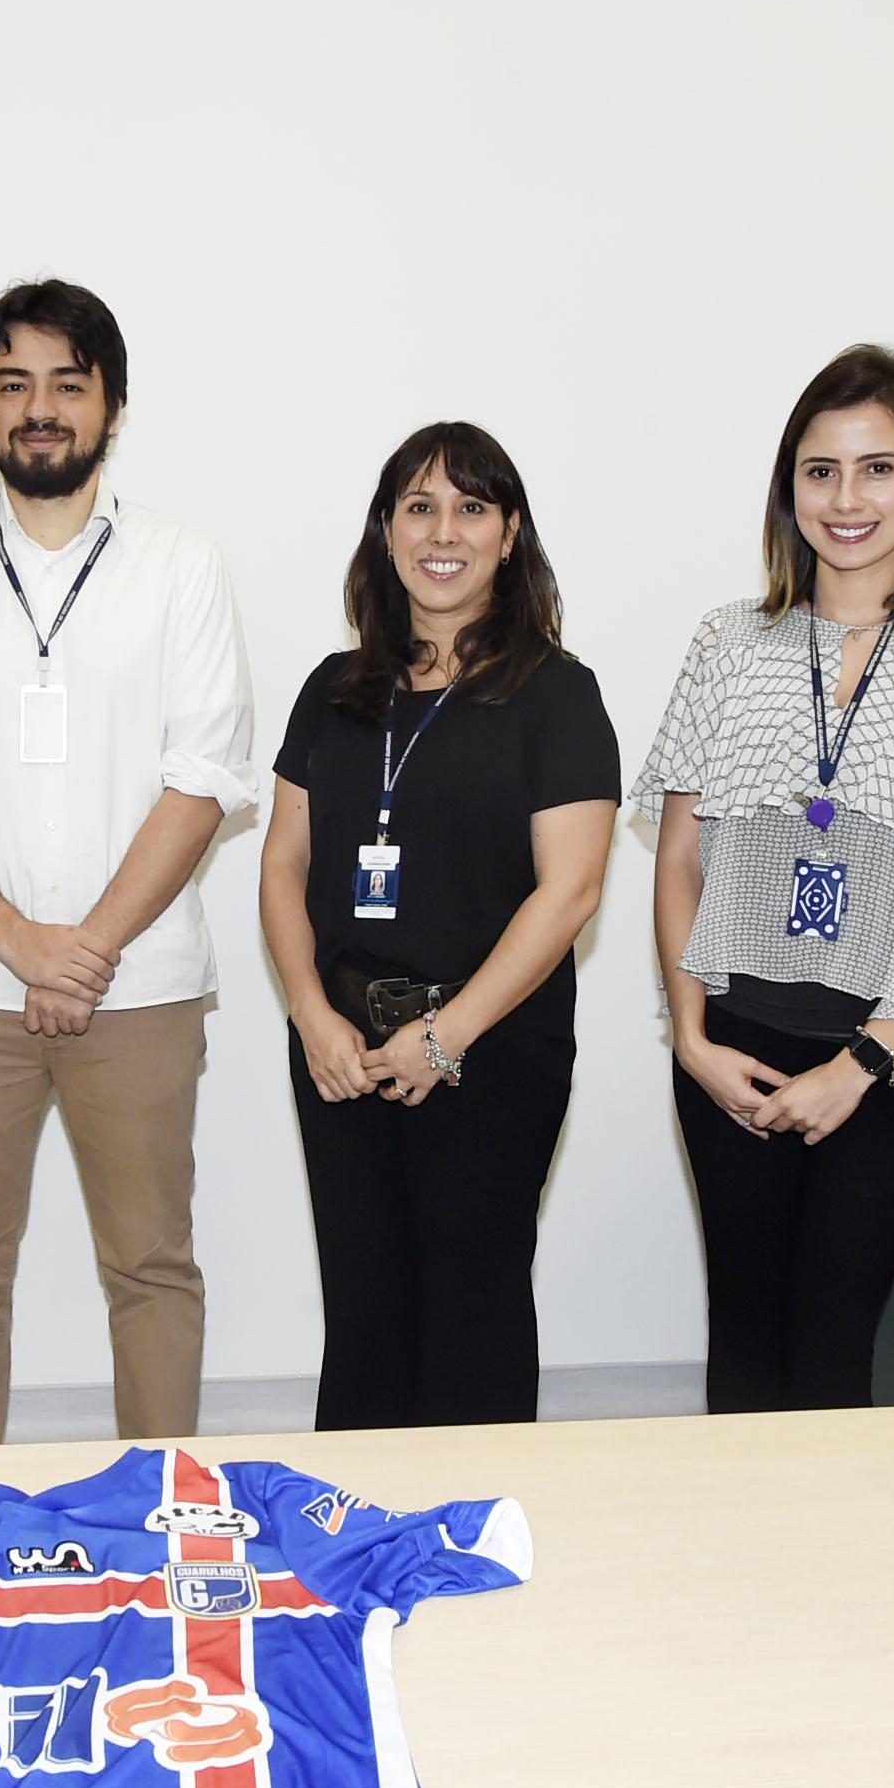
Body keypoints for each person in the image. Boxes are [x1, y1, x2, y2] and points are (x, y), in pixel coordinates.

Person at [0, 281, 255, 1447]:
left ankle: (162, 1502)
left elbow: (205, 775)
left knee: (151, 1263)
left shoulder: (181, 565)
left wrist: (87, 949)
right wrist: (21, 942)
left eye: (68, 384)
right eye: (13, 383)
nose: (40, 408)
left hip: (141, 983)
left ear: (112, 407)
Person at [637, 348, 894, 1410]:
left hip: (891, 1067)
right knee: (742, 1350)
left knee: (829, 1362)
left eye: (877, 468)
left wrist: (861, 1061)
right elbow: (678, 857)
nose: (847, 499)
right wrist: (691, 1035)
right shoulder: (729, 642)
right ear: (790, 487)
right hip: (731, 1049)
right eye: (821, 471)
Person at [262, 424, 617, 1429]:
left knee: (473, 1313)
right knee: (363, 1313)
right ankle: (350, 1516)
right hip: (342, 1053)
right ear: (386, 530)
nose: (443, 531)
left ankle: (479, 1514)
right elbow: (283, 864)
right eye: (419, 506)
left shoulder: (556, 693)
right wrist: (310, 1015)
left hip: (490, 1053)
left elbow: (571, 890)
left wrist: (446, 1034)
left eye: (471, 507)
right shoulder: (333, 689)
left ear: (510, 533)